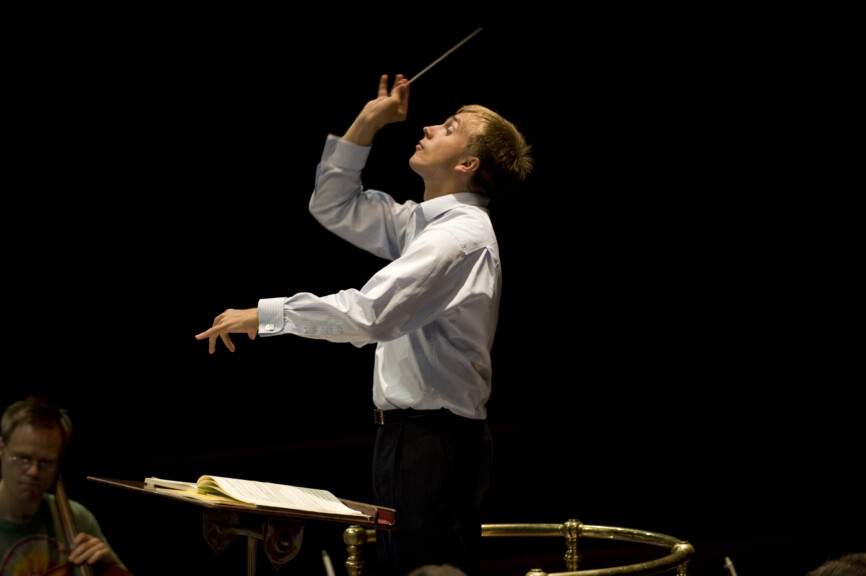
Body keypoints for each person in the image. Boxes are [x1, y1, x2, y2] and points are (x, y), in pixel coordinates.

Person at [196, 73, 532, 576]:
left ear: (467, 164)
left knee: (427, 571)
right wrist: (369, 120)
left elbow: (371, 314)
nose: (430, 125)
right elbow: (332, 203)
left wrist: (267, 316)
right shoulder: (424, 224)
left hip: (433, 442)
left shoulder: (458, 238)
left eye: (450, 126)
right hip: (413, 439)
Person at [0, 396, 129, 575]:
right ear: (1, 448)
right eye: (23, 458)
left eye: (46, 462)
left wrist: (111, 567)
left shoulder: (79, 517)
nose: (33, 471)